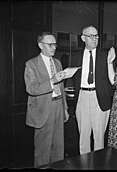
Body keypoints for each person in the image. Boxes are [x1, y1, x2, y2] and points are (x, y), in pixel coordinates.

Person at [24, 32, 69, 167]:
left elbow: (61, 87)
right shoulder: (31, 64)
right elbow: (31, 89)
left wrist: (65, 108)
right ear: (40, 45)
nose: (54, 47)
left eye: (55, 44)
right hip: (42, 110)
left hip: (58, 107)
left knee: (58, 147)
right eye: (50, 44)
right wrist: (52, 81)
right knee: (42, 150)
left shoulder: (58, 62)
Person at [71, 26, 113, 155]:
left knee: (99, 137)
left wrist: (110, 62)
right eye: (91, 36)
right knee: (83, 137)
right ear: (83, 38)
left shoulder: (106, 56)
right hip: (82, 97)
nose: (95, 39)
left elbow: (112, 79)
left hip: (99, 98)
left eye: (96, 36)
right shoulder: (76, 57)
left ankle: (98, 165)